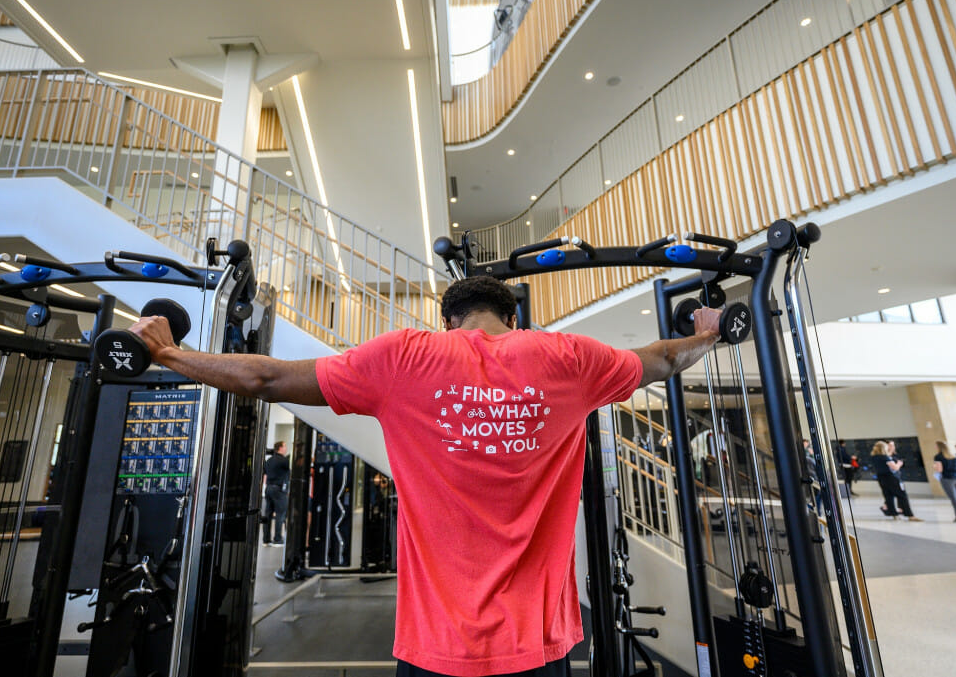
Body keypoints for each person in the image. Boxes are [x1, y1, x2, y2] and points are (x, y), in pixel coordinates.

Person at [130, 275, 722, 677]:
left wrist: (169, 353)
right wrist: (709, 331)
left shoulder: (404, 358)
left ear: (449, 321)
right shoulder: (569, 358)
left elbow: (268, 379)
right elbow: (667, 358)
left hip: (438, 647)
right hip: (538, 645)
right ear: (512, 319)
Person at [871, 441, 921, 521]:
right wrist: (899, 464)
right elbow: (895, 467)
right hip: (891, 478)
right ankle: (909, 515)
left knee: (888, 496)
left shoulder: (874, 457)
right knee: (902, 495)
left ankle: (894, 514)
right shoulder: (884, 457)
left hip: (881, 478)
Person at [262, 440, 290, 546]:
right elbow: (288, 474)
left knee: (268, 514)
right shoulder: (284, 461)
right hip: (279, 490)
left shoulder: (269, 460)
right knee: (280, 514)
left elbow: (265, 475)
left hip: (268, 489)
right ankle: (277, 539)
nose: (286, 448)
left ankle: (266, 539)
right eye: (285, 446)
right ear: (280, 448)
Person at [932, 440, 956, 522]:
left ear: (939, 447)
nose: (934, 447)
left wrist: (934, 467)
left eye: (935, 446)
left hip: (947, 479)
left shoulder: (938, 457)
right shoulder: (955, 456)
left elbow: (940, 469)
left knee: (954, 499)